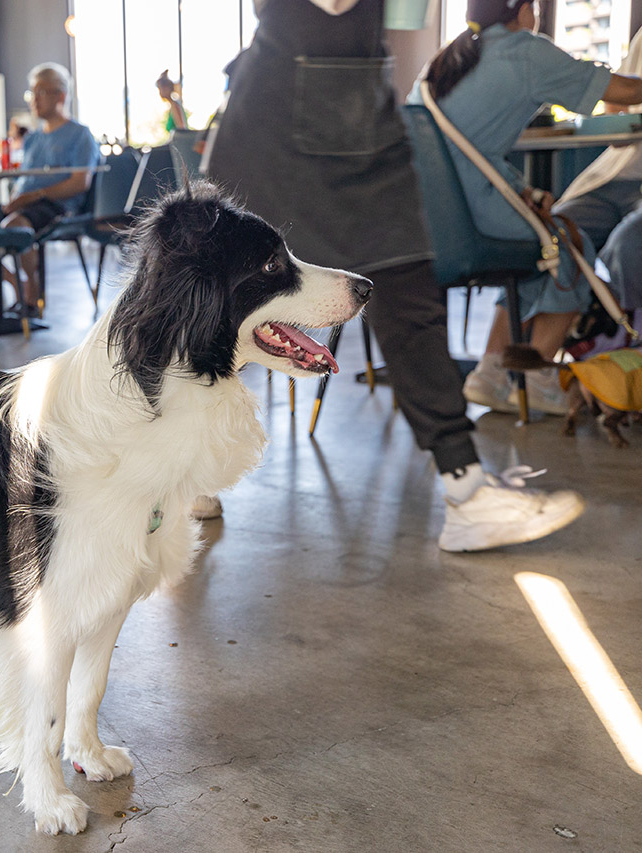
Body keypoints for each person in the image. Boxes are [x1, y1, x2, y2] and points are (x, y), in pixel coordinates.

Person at [206, 0, 583, 552]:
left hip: (349, 108)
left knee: (403, 289)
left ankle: (466, 487)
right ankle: (180, 474)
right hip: (292, 113)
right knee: (223, 305)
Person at [410, 0, 642, 416]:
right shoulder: (527, 52)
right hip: (473, 215)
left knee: (540, 254)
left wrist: (524, 192)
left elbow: (465, 153)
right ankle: (536, 377)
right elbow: (627, 92)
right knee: (569, 249)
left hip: (428, 218)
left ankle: (490, 372)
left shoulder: (448, 60)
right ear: (521, 11)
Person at [553, 26, 642, 324]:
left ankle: (627, 334)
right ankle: (554, 341)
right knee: (553, 233)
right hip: (616, 175)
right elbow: (616, 101)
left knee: (629, 245)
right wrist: (620, 121)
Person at [0, 63, 101, 315]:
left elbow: (80, 182)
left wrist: (34, 196)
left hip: (58, 207)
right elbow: (23, 179)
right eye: (32, 93)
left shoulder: (80, 135)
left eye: (41, 92)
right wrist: (17, 198)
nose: (34, 100)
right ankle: (19, 285)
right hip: (24, 204)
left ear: (61, 96)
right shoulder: (33, 139)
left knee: (15, 226)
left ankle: (31, 294)